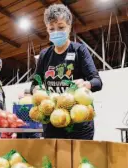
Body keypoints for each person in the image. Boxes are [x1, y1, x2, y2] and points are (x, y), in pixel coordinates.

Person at [30, 4, 103, 140]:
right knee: (55, 160)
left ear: (69, 27)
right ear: (47, 29)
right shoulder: (45, 55)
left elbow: (97, 82)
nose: (56, 32)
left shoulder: (79, 50)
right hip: (53, 123)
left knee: (78, 161)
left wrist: (86, 84)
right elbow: (34, 84)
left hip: (78, 124)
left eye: (61, 27)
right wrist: (36, 90)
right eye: (52, 29)